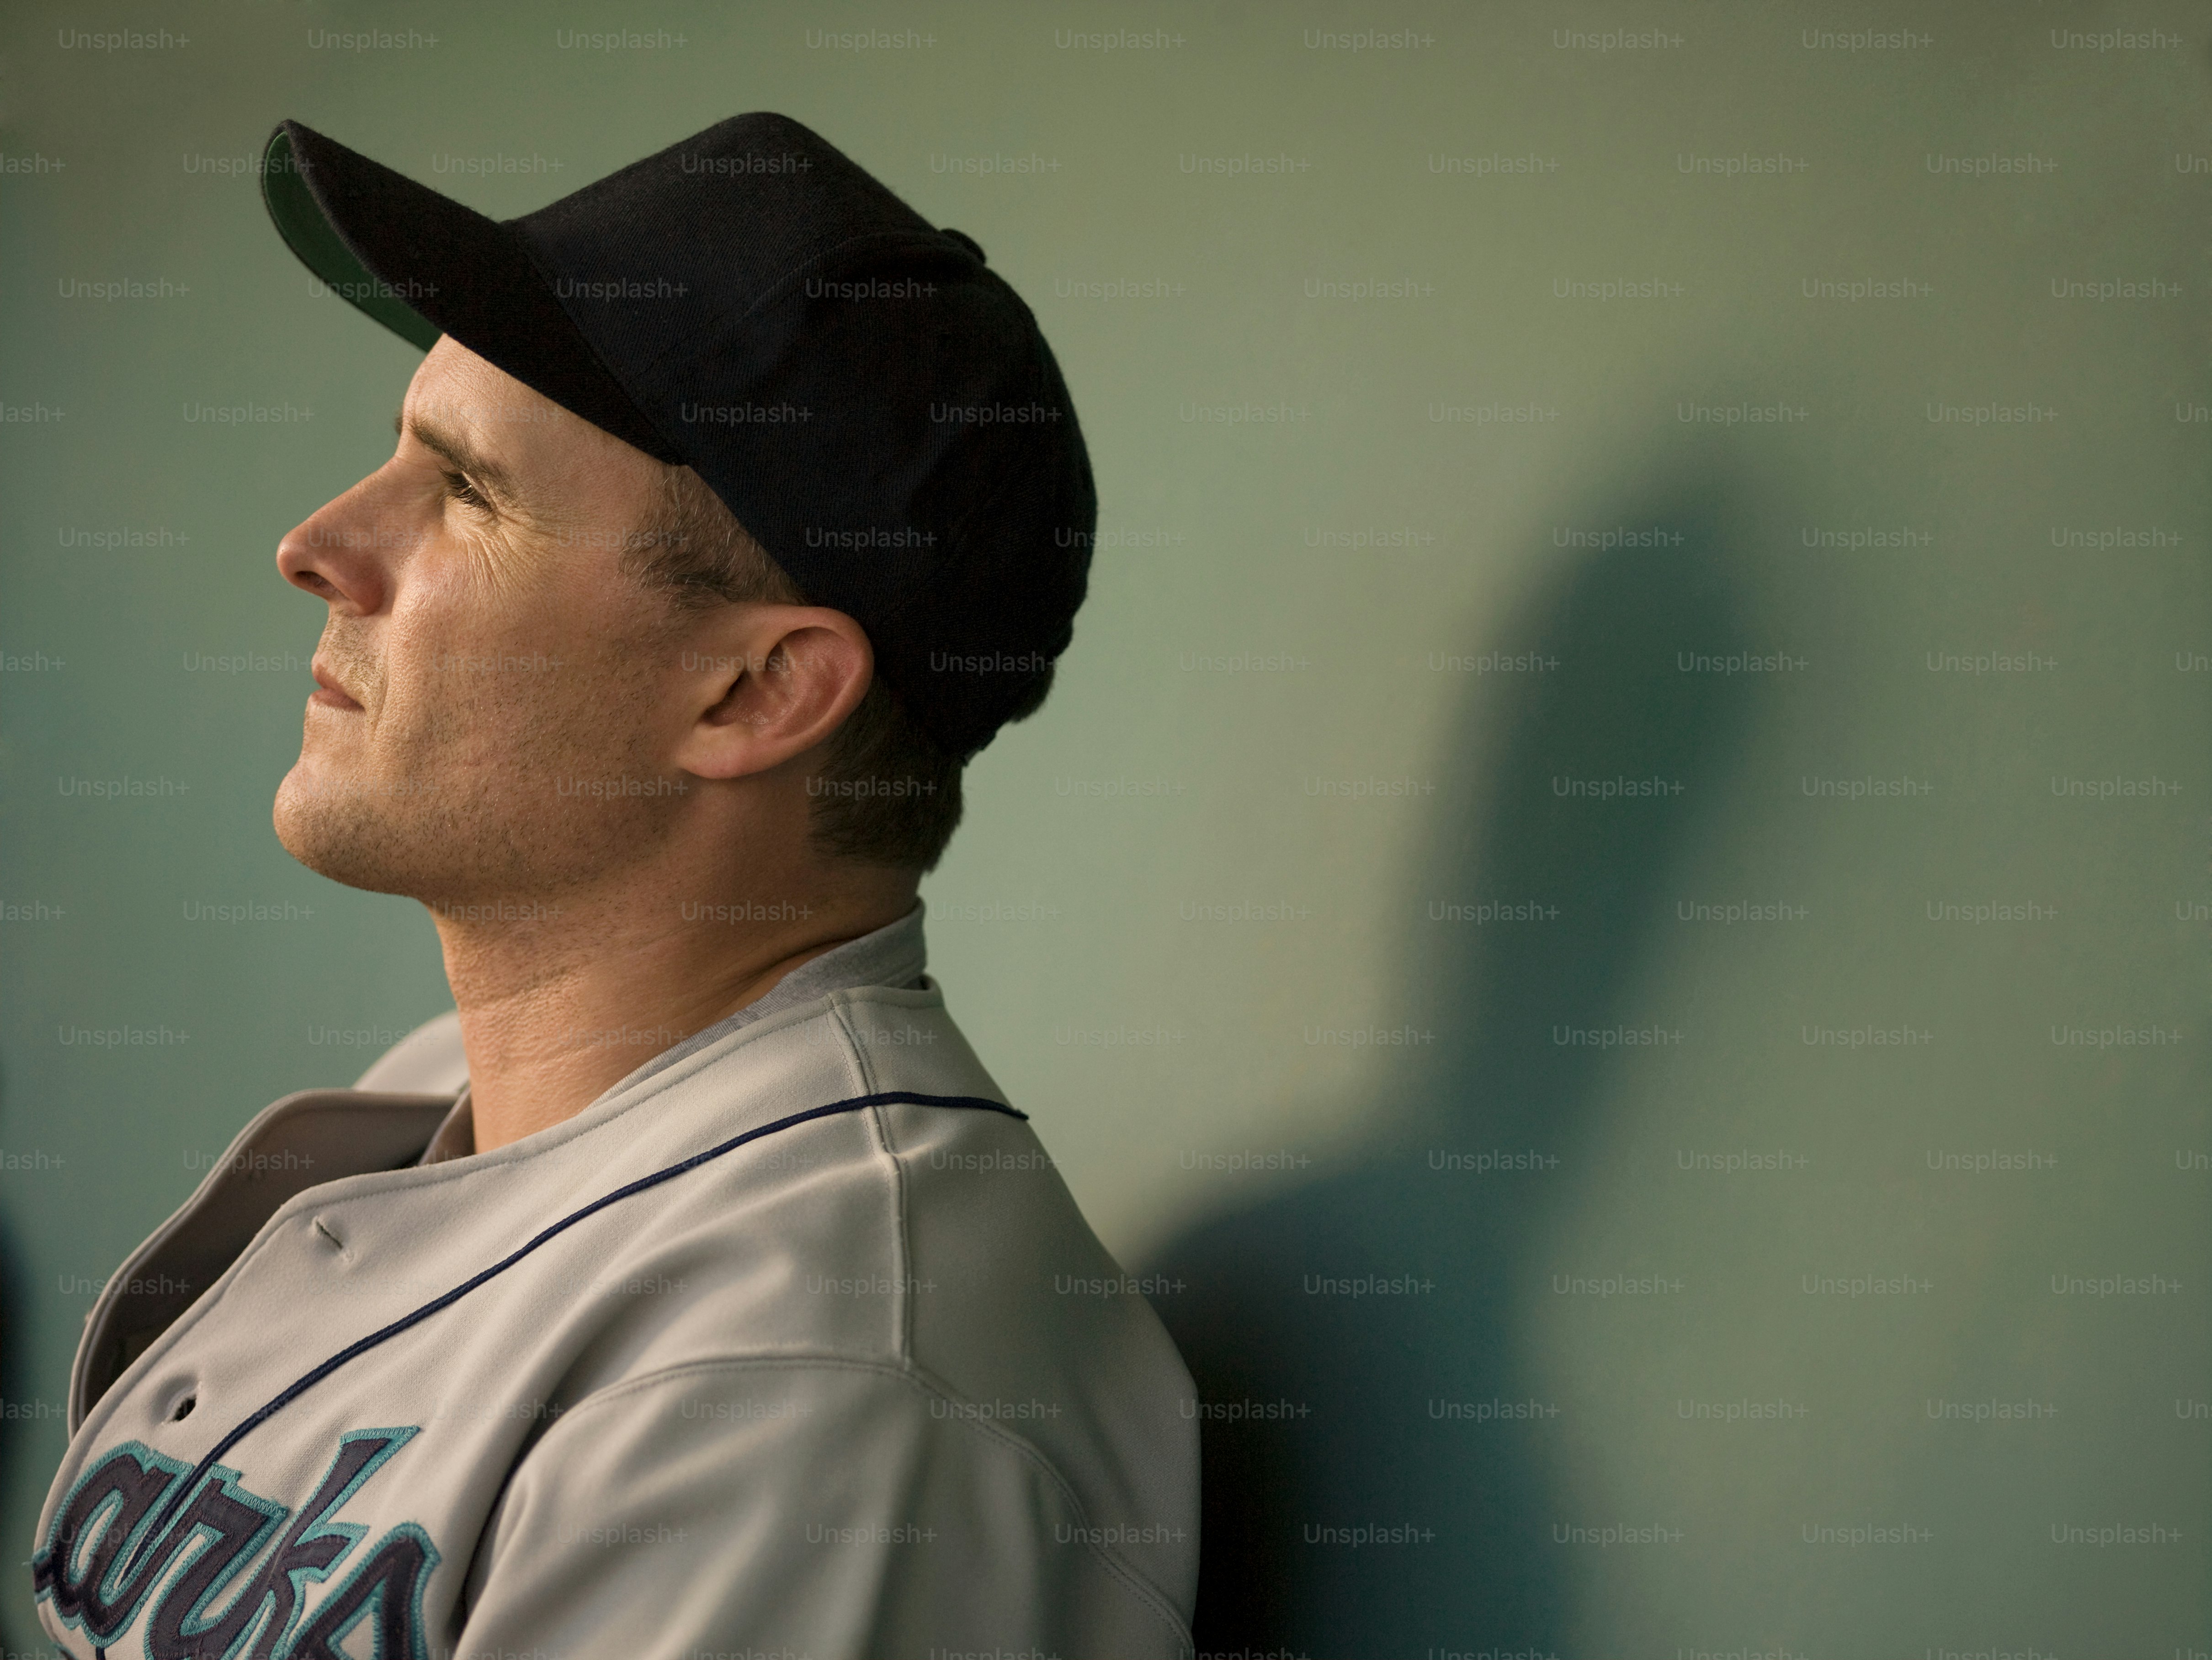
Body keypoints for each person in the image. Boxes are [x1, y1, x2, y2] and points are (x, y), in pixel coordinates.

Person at [32, 112, 1197, 1660]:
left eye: (466, 491)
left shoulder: (809, 1399)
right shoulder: (473, 1095)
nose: (316, 545)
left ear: (757, 696)